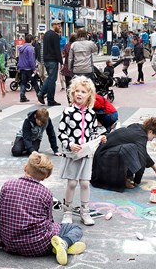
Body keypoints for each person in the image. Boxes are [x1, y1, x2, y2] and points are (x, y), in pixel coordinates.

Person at [0, 153, 86, 266]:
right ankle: (64, 243)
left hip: (9, 244)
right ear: (45, 177)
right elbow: (48, 222)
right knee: (75, 228)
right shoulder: (45, 193)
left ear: (25, 168)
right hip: (37, 247)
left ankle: (60, 245)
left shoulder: (7, 186)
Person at [57, 76, 107, 226]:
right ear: (72, 93)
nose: (79, 94)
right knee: (72, 183)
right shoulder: (68, 111)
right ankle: (67, 211)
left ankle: (85, 211)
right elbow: (61, 132)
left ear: (89, 95)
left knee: (85, 183)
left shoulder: (92, 114)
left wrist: (100, 137)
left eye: (83, 92)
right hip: (73, 154)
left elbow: (92, 132)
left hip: (86, 154)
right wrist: (70, 144)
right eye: (77, 91)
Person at [91, 117, 156, 192]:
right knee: (129, 149)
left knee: (132, 149)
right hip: (103, 157)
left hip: (100, 155)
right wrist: (137, 181)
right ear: (150, 132)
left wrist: (154, 168)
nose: (152, 140)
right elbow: (142, 161)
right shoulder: (141, 136)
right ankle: (123, 179)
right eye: (153, 137)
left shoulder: (137, 127)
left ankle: (126, 177)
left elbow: (143, 153)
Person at [38, 19, 64, 106]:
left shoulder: (46, 34)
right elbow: (57, 50)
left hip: (46, 59)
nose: (60, 27)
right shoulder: (55, 35)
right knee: (52, 80)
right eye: (58, 25)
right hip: (53, 60)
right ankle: (49, 98)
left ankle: (43, 95)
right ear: (54, 25)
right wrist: (61, 62)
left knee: (50, 78)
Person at [17, 34, 38, 103]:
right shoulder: (30, 48)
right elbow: (31, 60)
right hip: (29, 68)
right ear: (32, 40)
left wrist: (19, 66)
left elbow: (20, 58)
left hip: (22, 68)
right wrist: (34, 68)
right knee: (34, 82)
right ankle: (39, 95)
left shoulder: (21, 48)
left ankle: (22, 96)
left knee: (23, 82)